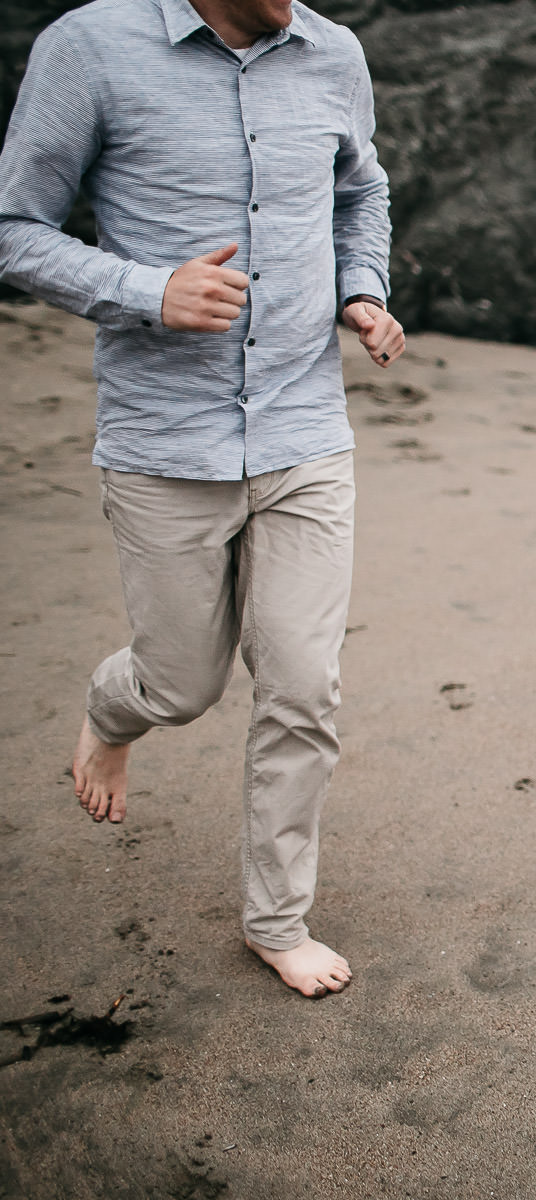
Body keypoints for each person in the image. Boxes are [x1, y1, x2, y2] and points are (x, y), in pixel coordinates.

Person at [0, 0, 405, 997]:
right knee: (182, 685)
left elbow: (363, 189)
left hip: (305, 431)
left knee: (304, 687)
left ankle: (276, 918)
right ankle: (114, 706)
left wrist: (363, 286)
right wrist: (149, 289)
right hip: (162, 442)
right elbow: (15, 231)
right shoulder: (87, 48)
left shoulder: (333, 53)